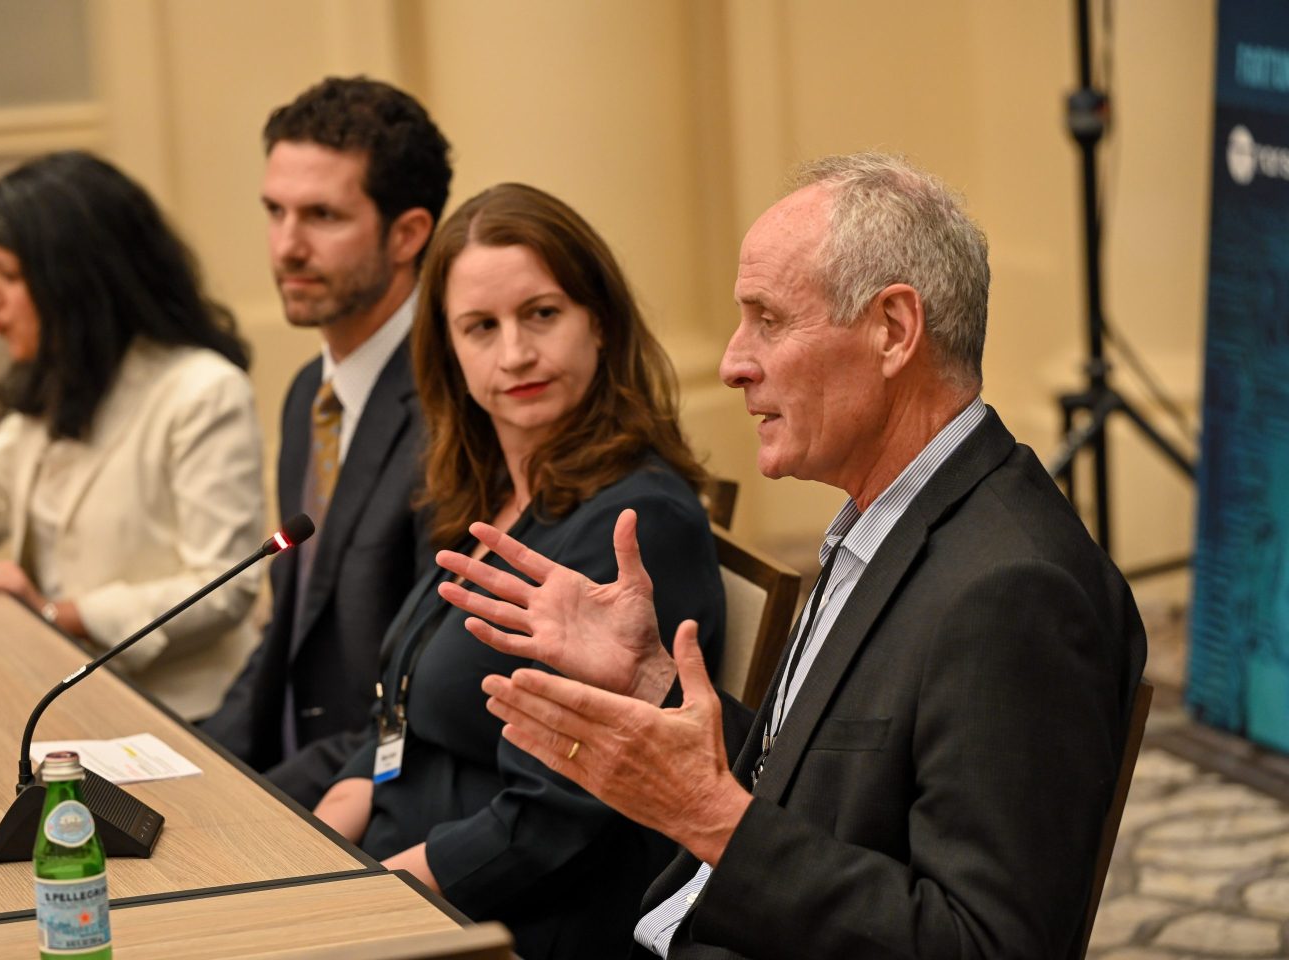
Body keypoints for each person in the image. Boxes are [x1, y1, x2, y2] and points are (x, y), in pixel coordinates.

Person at [438, 154, 1148, 958]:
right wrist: (650, 680)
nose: (735, 361)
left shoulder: (1014, 589)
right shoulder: (884, 520)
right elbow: (821, 786)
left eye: (769, 320)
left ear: (893, 330)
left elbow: (984, 944)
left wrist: (707, 817)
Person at [309, 182, 726, 960]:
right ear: (450, 351)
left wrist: (376, 894)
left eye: (541, 314)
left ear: (597, 321)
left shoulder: (640, 524)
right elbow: (401, 700)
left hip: (521, 920)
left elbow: (564, 814)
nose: (515, 354)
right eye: (481, 327)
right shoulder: (491, 494)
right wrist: (329, 820)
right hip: (408, 868)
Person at [0, 150, 264, 721]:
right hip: (64, 688)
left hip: (181, 709)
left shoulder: (202, 391)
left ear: (77, 282)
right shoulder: (65, 374)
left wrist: (57, 613)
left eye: (9, 274)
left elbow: (224, 590)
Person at [201, 77, 453, 778]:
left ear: (408, 234)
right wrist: (192, 766)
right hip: (284, 770)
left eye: (321, 216)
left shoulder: (452, 409)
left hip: (365, 792)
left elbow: (426, 689)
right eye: (274, 212)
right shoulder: (309, 393)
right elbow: (289, 635)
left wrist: (263, 801)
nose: (286, 247)